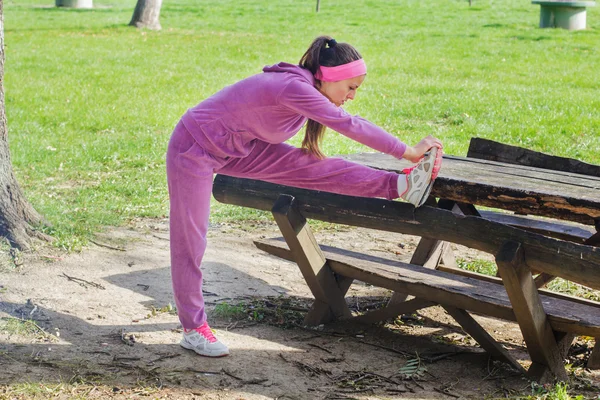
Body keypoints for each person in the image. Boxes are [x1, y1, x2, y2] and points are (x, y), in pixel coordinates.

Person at [166, 36, 443, 357]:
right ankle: (193, 328)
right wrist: (408, 152)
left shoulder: (306, 89)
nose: (352, 96)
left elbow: (341, 119)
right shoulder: (293, 88)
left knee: (313, 166)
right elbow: (350, 125)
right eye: (350, 87)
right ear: (330, 77)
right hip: (194, 147)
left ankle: (400, 187)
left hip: (239, 149)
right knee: (191, 238)